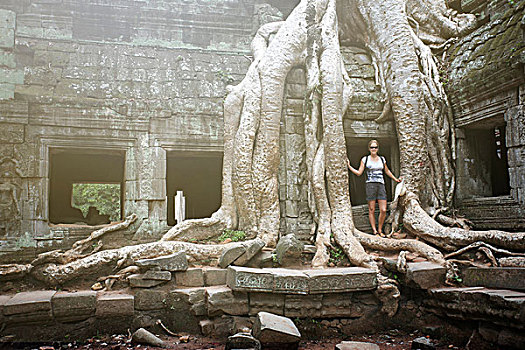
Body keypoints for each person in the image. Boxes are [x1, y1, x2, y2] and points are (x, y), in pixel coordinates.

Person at [346, 140, 401, 236]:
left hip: (381, 185)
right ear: (369, 149)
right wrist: (349, 166)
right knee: (371, 209)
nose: (374, 149)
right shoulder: (365, 159)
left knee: (383, 209)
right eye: (372, 147)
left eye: (375, 147)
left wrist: (395, 179)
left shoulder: (382, 159)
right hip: (370, 185)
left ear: (378, 148)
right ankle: (375, 231)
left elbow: (387, 171)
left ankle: (380, 229)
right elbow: (359, 173)